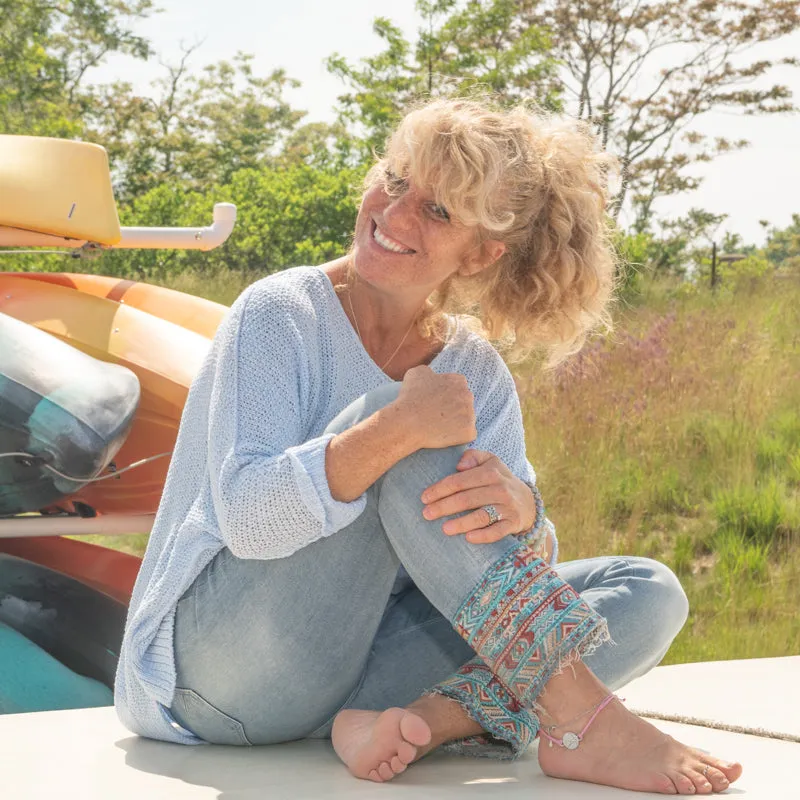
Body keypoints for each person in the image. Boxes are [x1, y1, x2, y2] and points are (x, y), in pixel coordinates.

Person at [115, 98, 742, 795]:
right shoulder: (278, 313)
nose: (395, 212)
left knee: (647, 591)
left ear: (481, 252)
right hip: (224, 681)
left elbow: (498, 577)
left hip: (367, 676)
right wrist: (395, 432)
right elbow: (249, 521)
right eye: (395, 178)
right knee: (403, 414)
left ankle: (420, 722)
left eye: (439, 211)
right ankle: (578, 720)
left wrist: (526, 517)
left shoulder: (476, 371)